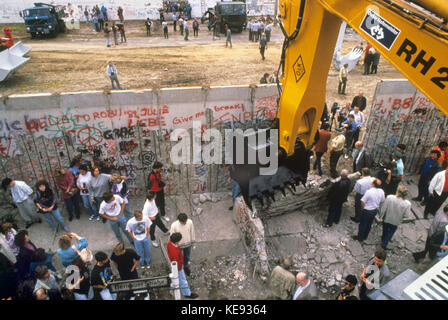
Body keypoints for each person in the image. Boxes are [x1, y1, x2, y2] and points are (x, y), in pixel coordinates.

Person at [378, 185, 412, 249]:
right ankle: (385, 242)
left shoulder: (390, 197)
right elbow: (407, 215)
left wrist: (381, 215)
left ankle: (383, 238)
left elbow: (384, 208)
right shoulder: (408, 204)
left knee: (385, 229)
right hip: (396, 220)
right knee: (391, 231)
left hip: (387, 218)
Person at [167, 233, 198, 299]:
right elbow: (176, 261)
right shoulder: (174, 250)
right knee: (183, 280)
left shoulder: (170, 243)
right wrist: (180, 267)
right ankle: (187, 293)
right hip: (178, 267)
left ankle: (173, 286)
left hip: (178, 265)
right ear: (176, 241)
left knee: (177, 279)